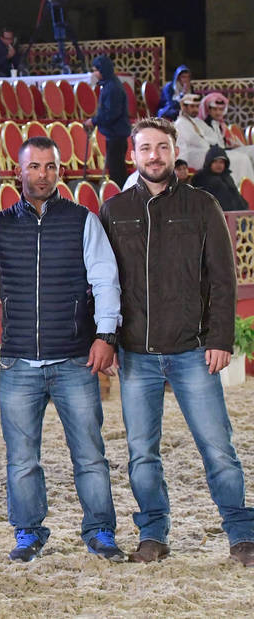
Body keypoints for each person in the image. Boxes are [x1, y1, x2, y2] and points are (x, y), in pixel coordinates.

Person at [0, 136, 124, 563]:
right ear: (19, 172)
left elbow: (106, 280)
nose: (43, 174)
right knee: (22, 460)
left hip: (75, 358)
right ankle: (28, 534)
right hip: (19, 361)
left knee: (90, 455)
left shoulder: (82, 220)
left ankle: (100, 532)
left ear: (59, 171)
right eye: (34, 166)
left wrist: (105, 336)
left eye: (50, 166)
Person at [100, 117, 254, 567]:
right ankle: (153, 534)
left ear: (174, 153)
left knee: (218, 448)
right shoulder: (114, 210)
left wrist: (220, 338)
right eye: (145, 148)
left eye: (162, 148)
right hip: (137, 356)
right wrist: (107, 340)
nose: (154, 156)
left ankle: (242, 535)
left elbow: (224, 280)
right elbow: (103, 285)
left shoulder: (203, 205)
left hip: (193, 351)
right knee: (141, 453)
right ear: (133, 154)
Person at [85, 55, 132, 187]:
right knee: (116, 169)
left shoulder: (112, 87)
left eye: (96, 70)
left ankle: (120, 198)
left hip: (116, 135)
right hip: (114, 134)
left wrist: (94, 121)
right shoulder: (109, 84)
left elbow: (111, 113)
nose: (95, 73)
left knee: (117, 172)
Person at [200, 92, 254, 184]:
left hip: (227, 149)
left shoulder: (221, 125)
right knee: (243, 158)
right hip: (216, 153)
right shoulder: (204, 125)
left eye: (221, 109)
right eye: (215, 109)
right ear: (209, 110)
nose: (218, 112)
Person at [191, 146, 249, 211]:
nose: (218, 165)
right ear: (209, 162)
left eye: (221, 162)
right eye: (215, 161)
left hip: (233, 217)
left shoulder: (227, 177)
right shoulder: (201, 178)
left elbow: (238, 199)